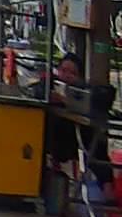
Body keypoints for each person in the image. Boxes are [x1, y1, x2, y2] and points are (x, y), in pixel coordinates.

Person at [47, 53, 115, 202]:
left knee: (95, 140)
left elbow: (103, 95)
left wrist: (72, 99)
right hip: (52, 139)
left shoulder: (82, 91)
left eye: (73, 73)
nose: (67, 75)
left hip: (76, 139)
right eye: (64, 70)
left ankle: (108, 188)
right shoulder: (49, 84)